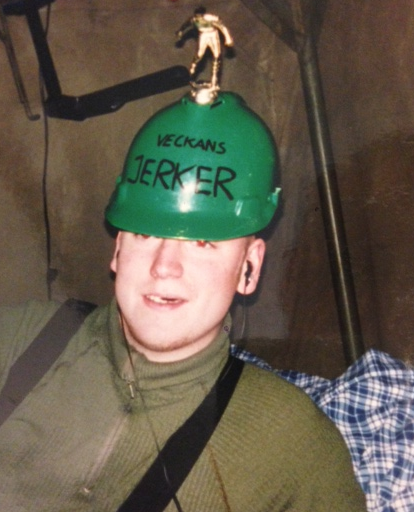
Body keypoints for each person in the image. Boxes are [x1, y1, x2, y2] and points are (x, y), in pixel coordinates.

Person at [0, 88, 367, 511]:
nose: (165, 266)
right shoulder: (23, 339)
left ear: (249, 268)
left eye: (203, 243)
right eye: (145, 233)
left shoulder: (292, 441)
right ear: (117, 249)